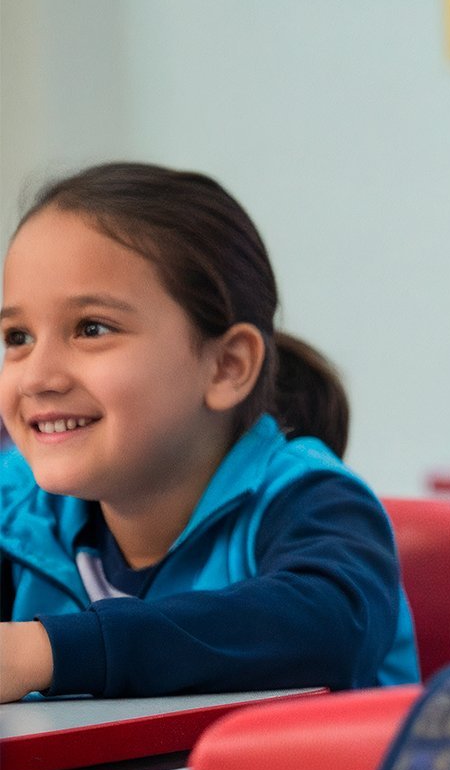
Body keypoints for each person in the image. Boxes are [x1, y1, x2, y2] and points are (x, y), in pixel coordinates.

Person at [0, 162, 418, 702]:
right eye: (17, 337)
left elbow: (330, 628)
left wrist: (47, 652)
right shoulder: (18, 512)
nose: (37, 377)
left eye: (92, 328)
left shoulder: (314, 502)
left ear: (226, 367)